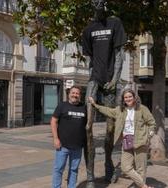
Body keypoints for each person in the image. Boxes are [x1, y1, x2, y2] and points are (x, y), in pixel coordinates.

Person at [82, 0, 127, 186]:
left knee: (110, 129)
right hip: (95, 79)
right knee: (87, 127)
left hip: (111, 80)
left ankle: (108, 167)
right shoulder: (88, 30)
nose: (98, 7)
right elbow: (90, 58)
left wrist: (115, 79)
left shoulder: (115, 23)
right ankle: (91, 176)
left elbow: (119, 53)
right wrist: (93, 77)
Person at [88, 88, 156, 188]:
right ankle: (143, 186)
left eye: (130, 96)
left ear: (134, 97)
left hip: (140, 141)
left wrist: (149, 136)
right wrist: (95, 105)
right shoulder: (120, 110)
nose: (128, 99)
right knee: (125, 167)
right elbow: (107, 110)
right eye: (125, 97)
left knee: (141, 168)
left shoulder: (142, 109)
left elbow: (152, 123)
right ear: (123, 99)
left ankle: (141, 186)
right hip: (127, 140)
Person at [51, 86, 87, 188]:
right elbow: (53, 121)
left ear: (80, 95)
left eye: (77, 93)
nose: (75, 95)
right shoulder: (62, 105)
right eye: (73, 93)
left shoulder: (84, 107)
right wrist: (55, 138)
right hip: (63, 145)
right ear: (69, 94)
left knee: (74, 169)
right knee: (58, 169)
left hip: (78, 146)